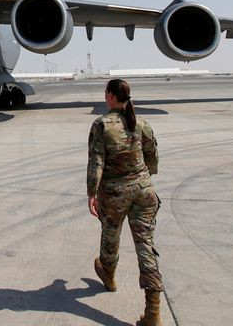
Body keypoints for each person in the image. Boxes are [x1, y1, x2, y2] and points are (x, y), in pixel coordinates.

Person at [87, 78, 163, 326]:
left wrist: (91, 193)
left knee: (111, 236)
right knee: (146, 247)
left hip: (115, 194)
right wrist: (143, 179)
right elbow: (152, 154)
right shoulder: (140, 122)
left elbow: (96, 162)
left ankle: (108, 273)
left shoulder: (102, 125)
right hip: (144, 192)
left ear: (110, 96)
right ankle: (153, 314)